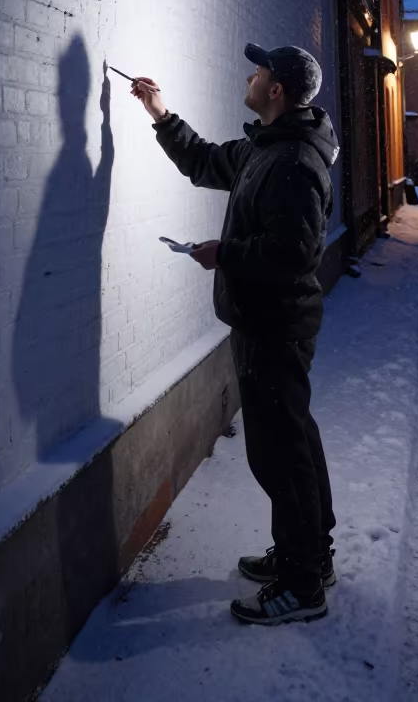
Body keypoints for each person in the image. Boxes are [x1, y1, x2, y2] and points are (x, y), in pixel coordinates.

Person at [131, 42, 339, 626]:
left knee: (279, 454)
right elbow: (204, 162)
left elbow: (294, 255)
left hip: (276, 325)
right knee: (292, 442)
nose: (250, 74)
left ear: (277, 91)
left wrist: (224, 253)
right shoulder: (263, 148)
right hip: (265, 322)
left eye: (260, 70)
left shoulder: (294, 162)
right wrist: (160, 113)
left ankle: (303, 585)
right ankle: (309, 558)